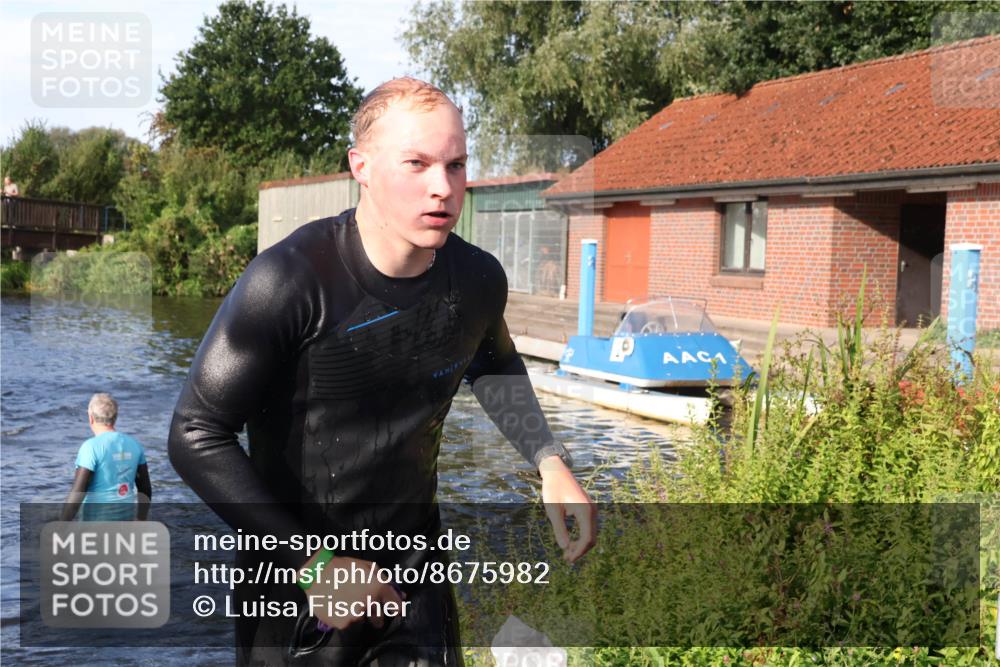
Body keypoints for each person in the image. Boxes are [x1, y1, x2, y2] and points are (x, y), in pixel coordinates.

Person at [168, 77, 596, 666]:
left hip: (414, 571)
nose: (442, 189)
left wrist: (550, 461)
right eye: (416, 164)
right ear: (361, 167)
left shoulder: (475, 281)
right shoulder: (289, 282)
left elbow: (494, 363)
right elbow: (195, 435)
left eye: (456, 165)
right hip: (297, 586)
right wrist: (313, 565)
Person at [62, 393, 151, 521]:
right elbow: (145, 488)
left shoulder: (90, 447)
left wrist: (61, 525)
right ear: (115, 418)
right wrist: (141, 519)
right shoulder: (134, 444)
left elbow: (78, 492)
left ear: (91, 418)